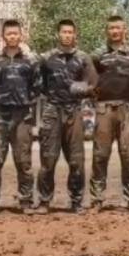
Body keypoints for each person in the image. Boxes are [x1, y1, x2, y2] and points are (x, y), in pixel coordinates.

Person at [89, 15, 129, 213]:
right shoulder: (98, 56)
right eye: (111, 28)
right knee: (100, 155)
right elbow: (89, 80)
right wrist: (94, 97)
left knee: (128, 155)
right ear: (107, 32)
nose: (114, 31)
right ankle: (97, 199)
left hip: (127, 109)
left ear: (125, 30)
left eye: (118, 28)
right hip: (104, 109)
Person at [36, 19, 96, 214]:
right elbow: (40, 85)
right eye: (64, 32)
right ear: (58, 34)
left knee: (76, 160)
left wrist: (76, 88)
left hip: (74, 111)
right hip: (52, 110)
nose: (67, 35)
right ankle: (45, 201)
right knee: (48, 159)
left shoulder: (83, 58)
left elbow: (93, 85)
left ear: (75, 34)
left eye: (71, 32)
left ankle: (77, 201)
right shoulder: (46, 58)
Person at [0, 20, 40, 215]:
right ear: (3, 36)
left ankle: (25, 201)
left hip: (22, 115)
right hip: (0, 114)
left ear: (21, 36)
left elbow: (37, 87)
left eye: (16, 33)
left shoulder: (30, 61)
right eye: (9, 34)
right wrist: (0, 99)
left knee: (23, 160)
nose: (13, 36)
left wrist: (26, 101)